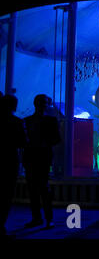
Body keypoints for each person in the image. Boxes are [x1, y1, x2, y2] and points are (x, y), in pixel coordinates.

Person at [23, 94, 61, 229]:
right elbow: (56, 139)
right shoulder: (49, 120)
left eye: (44, 103)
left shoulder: (28, 120)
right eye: (41, 102)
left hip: (38, 157)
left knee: (40, 189)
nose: (43, 105)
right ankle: (43, 218)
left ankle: (42, 218)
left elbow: (57, 139)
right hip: (37, 157)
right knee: (37, 189)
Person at [0, 94, 27, 238]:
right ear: (13, 106)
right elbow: (23, 142)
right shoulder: (17, 122)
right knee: (7, 194)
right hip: (10, 159)